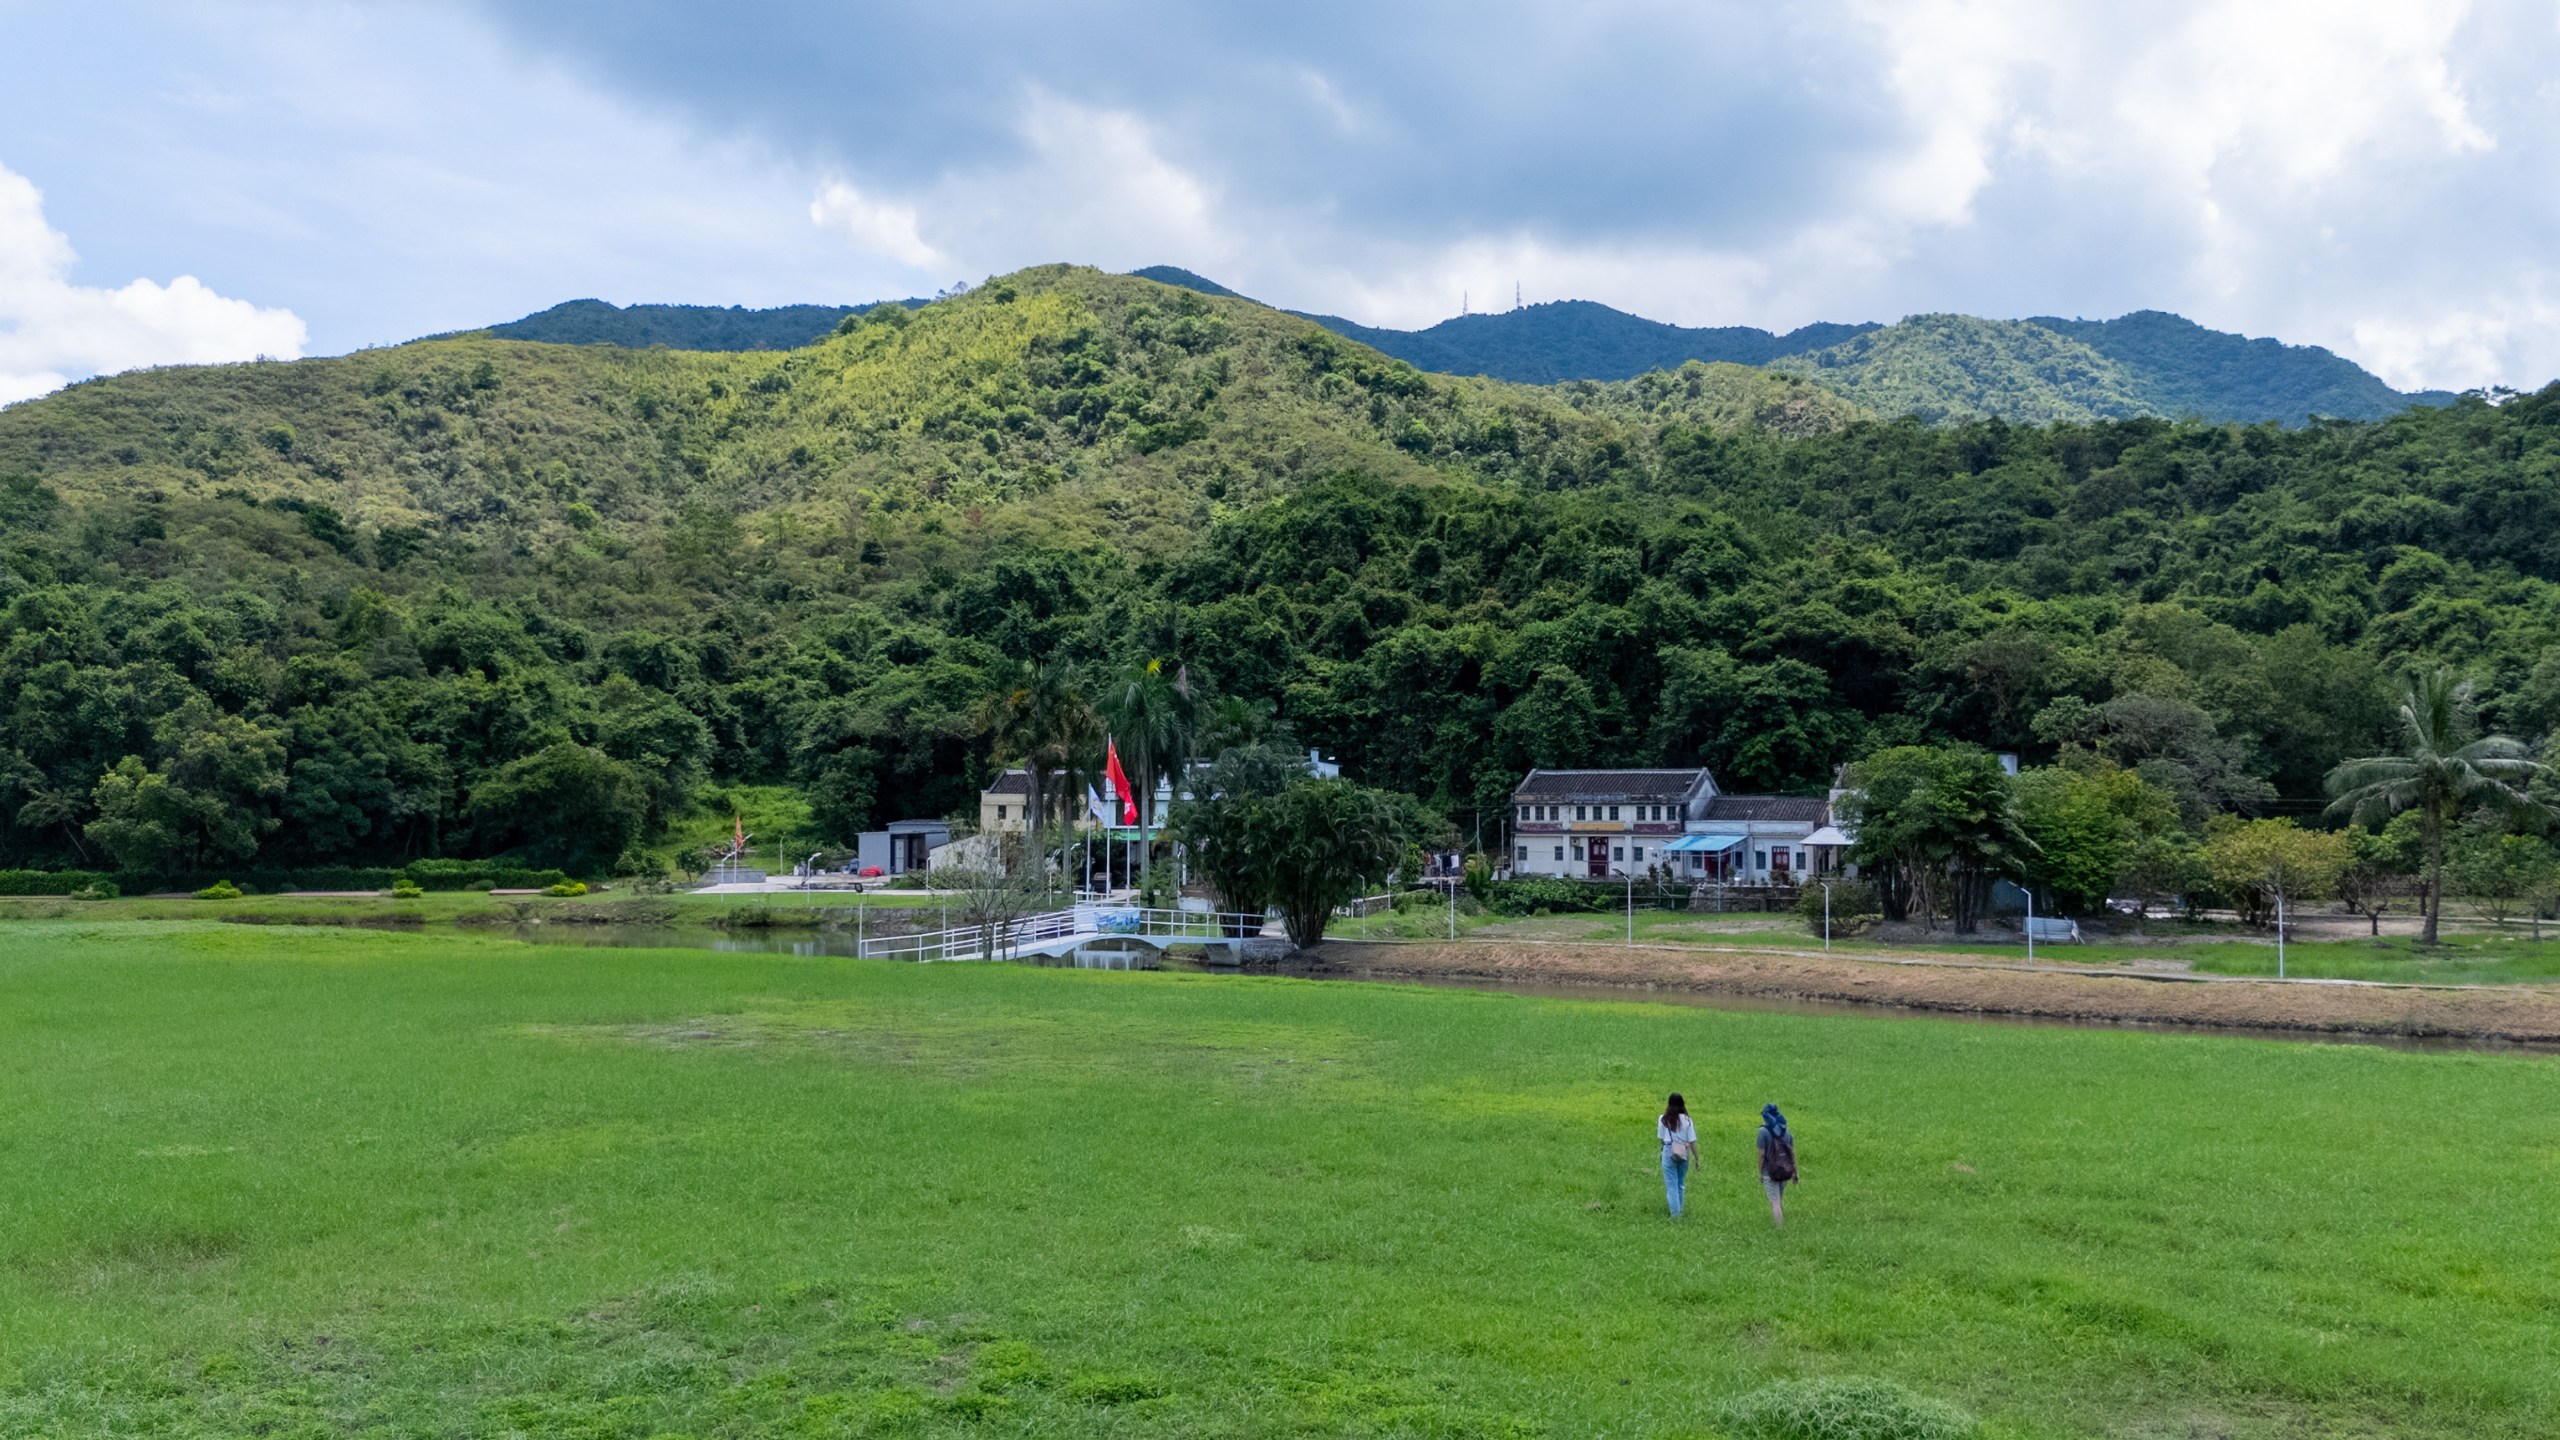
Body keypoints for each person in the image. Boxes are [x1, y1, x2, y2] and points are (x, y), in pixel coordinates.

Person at [1756, 1103, 1796, 1228]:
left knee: (1775, 1202)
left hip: (1770, 1172)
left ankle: (1779, 1229)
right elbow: (1791, 1153)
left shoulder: (1763, 1131)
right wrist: (1795, 1172)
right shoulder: (1786, 1132)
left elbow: (1761, 1154)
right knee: (1779, 1200)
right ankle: (1780, 1224)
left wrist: (1761, 1172)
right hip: (1785, 1170)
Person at [1657, 1092, 1697, 1217]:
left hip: (1669, 1150)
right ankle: (1679, 1210)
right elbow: (1692, 1141)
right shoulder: (1687, 1121)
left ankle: (1675, 1215)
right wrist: (1697, 1158)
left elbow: (1661, 1138)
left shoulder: (1663, 1119)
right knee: (1680, 1184)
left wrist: (1662, 1152)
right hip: (1684, 1151)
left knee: (1671, 1185)